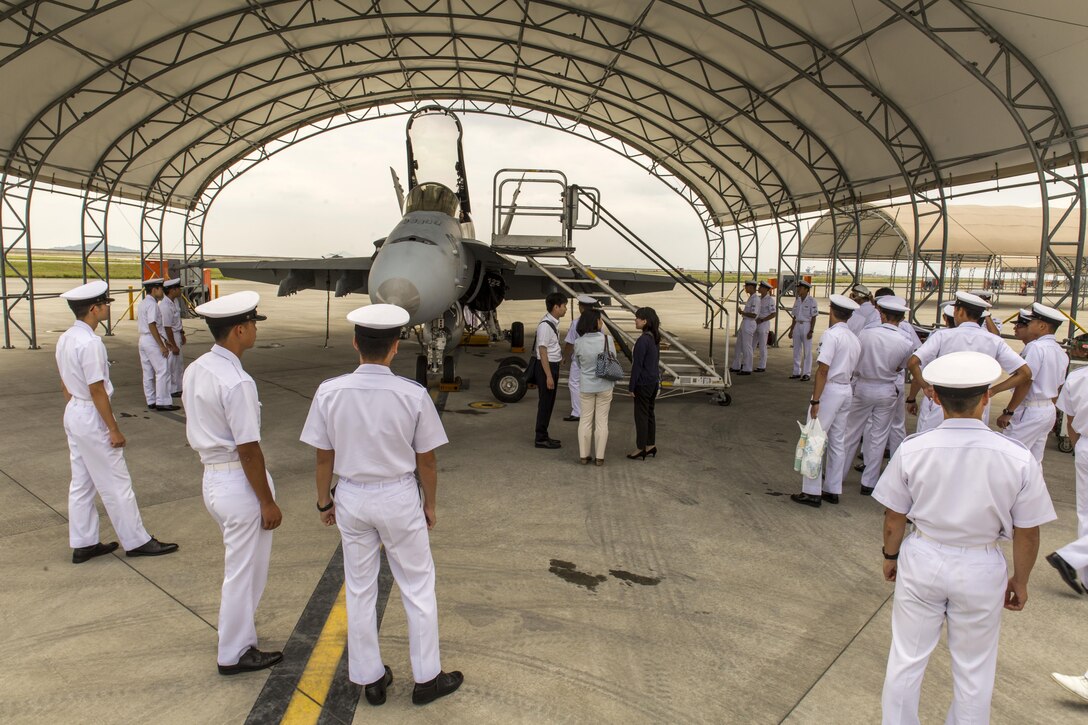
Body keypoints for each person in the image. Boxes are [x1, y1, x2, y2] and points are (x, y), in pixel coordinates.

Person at [873, 351, 1055, 724]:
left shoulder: (913, 449)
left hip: (924, 555)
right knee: (974, 669)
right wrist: (1020, 579)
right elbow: (1028, 531)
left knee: (907, 658)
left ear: (935, 397)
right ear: (987, 397)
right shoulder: (1016, 457)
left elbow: (894, 516)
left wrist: (890, 556)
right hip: (980, 563)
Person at [301, 303, 462, 707]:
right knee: (418, 585)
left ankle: (370, 678)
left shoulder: (329, 391)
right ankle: (427, 677)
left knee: (358, 587)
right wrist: (430, 505)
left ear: (356, 343)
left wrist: (325, 502)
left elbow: (324, 456)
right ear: (395, 347)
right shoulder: (412, 394)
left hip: (351, 495)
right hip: (398, 495)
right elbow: (427, 460)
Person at [182, 291, 282, 676]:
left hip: (212, 478)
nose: (256, 329)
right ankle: (235, 652)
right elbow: (249, 450)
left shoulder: (198, 368)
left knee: (242, 568)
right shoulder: (237, 381)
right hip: (238, 484)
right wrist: (267, 501)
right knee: (245, 571)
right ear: (239, 330)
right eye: (253, 324)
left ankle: (236, 634)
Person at [55, 281, 178, 563]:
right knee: (116, 481)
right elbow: (97, 388)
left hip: (74, 410)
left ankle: (84, 542)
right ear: (94, 309)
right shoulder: (90, 343)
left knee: (82, 482)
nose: (108, 307)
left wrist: (76, 408)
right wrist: (113, 428)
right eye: (105, 304)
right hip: (90, 413)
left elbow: (64, 381)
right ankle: (137, 541)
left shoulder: (66, 338)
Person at [906, 291, 1031, 434]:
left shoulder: (942, 336)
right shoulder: (994, 341)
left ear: (960, 312)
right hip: (977, 405)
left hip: (943, 402)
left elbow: (913, 362)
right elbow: (1025, 373)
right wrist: (992, 391)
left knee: (932, 446)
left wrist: (926, 386)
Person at [791, 294, 861, 508]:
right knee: (838, 442)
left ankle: (811, 491)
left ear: (831, 311)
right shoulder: (853, 337)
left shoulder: (831, 336)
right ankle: (832, 488)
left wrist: (815, 400)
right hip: (846, 389)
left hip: (830, 390)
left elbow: (823, 370)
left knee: (814, 437)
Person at [841, 296, 914, 496]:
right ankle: (869, 482)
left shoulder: (866, 334)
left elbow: (856, 357)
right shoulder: (905, 340)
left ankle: (838, 475)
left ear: (881, 314)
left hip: (863, 385)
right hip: (887, 388)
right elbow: (901, 367)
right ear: (900, 318)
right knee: (879, 437)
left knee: (851, 433)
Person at [998, 303, 1068, 461]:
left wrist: (1009, 411)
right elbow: (1058, 386)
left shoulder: (1036, 348)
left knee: (1009, 458)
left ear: (1042, 326)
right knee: (1034, 462)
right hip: (1047, 409)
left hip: (1029, 411)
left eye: (1031, 322)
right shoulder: (1060, 351)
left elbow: (1025, 381)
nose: (1027, 325)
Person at [1045, 357, 1088, 596]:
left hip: (1084, 445)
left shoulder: (1078, 376)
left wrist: (1078, 447)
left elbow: (1070, 420)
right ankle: (1068, 557)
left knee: (1086, 513)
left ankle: (1086, 577)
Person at [572, 308, 616, 465]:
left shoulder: (578, 342)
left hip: (586, 386)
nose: (602, 321)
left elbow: (578, 363)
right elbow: (613, 358)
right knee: (602, 421)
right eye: (600, 319)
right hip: (605, 385)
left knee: (585, 420)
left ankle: (584, 455)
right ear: (596, 322)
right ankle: (600, 457)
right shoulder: (607, 340)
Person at [137, 277, 179, 411]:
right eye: (161, 288)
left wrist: (166, 341)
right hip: (151, 340)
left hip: (143, 340)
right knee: (162, 370)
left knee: (148, 372)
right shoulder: (153, 305)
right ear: (154, 289)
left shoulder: (143, 303)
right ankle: (163, 401)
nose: (162, 291)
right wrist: (161, 345)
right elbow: (152, 325)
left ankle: (151, 400)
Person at [532, 293, 567, 448]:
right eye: (564, 306)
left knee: (549, 403)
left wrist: (559, 358)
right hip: (546, 368)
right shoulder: (545, 326)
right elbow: (542, 351)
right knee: (545, 403)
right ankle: (540, 438)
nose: (565, 309)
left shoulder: (553, 322)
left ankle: (544, 434)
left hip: (552, 365)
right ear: (556, 307)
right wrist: (548, 376)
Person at [628, 307, 661, 460]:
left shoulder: (643, 340)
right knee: (649, 414)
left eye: (638, 318)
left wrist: (631, 386)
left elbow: (637, 366)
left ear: (645, 321)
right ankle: (650, 444)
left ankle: (640, 447)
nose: (635, 320)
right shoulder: (654, 337)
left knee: (640, 416)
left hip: (643, 383)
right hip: (653, 381)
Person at [561, 295, 599, 423]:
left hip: (579, 358)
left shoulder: (576, 322)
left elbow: (570, 343)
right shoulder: (598, 322)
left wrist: (565, 357)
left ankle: (577, 412)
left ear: (581, 307)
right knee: (591, 383)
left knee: (574, 383)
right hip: (594, 357)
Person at [787, 280, 818, 381]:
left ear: (806, 289)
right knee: (796, 350)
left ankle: (806, 373)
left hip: (806, 325)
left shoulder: (812, 301)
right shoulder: (798, 300)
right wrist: (791, 330)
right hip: (797, 325)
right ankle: (796, 372)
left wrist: (811, 331)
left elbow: (814, 317)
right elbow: (794, 316)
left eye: (800, 288)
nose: (798, 289)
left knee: (807, 351)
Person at [160, 278, 186, 397]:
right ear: (172, 290)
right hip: (171, 336)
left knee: (178, 364)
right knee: (171, 364)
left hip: (176, 334)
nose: (180, 290)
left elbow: (177, 321)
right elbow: (167, 327)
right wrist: (173, 345)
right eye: (178, 289)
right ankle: (172, 389)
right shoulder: (165, 305)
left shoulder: (174, 301)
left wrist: (181, 333)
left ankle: (178, 387)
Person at [730, 280, 759, 375]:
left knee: (747, 347)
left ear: (751, 287)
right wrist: (742, 313)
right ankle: (736, 366)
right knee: (739, 345)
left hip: (749, 323)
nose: (745, 288)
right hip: (745, 322)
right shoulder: (751, 298)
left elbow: (754, 315)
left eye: (746, 286)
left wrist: (742, 312)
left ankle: (747, 368)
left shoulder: (755, 299)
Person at [753, 280, 776, 372]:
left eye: (761, 287)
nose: (759, 288)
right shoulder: (758, 299)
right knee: (752, 344)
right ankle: (747, 363)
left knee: (762, 345)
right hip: (755, 322)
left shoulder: (770, 300)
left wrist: (762, 320)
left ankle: (762, 366)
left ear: (766, 289)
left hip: (763, 323)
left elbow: (773, 314)